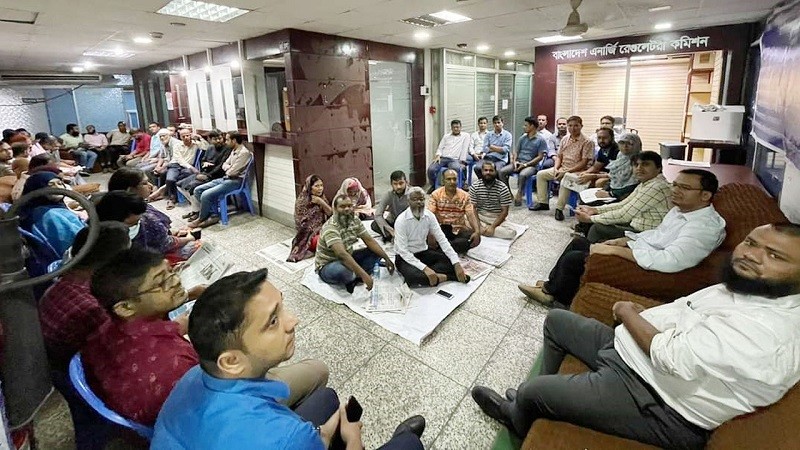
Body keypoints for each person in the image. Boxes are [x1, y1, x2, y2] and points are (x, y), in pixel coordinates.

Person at [474, 223, 800, 449]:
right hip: (634, 354)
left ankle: (518, 415)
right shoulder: (751, 287)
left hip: (658, 399)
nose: (751, 254)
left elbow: (670, 357)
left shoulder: (769, 332)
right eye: (751, 243)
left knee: (533, 390)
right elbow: (683, 315)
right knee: (557, 321)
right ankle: (544, 399)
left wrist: (627, 311)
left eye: (775, 255)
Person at [152, 269, 425, 449]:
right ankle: (403, 439)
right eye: (272, 321)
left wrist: (321, 435)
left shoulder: (194, 376)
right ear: (231, 361)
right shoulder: (285, 437)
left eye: (282, 307)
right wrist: (353, 442)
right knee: (409, 445)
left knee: (327, 398)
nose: (293, 320)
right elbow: (283, 439)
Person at [84, 250, 329, 427]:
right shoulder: (177, 367)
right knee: (317, 370)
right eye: (162, 283)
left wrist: (190, 301)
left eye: (171, 271)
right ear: (125, 307)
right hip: (219, 413)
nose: (175, 281)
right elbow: (225, 393)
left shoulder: (105, 329)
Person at [519, 169, 725, 308]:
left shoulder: (704, 227)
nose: (675, 191)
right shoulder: (682, 210)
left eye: (684, 188)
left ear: (705, 195)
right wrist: (625, 241)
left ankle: (555, 298)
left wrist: (616, 251)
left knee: (576, 258)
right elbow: (657, 235)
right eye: (675, 185)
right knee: (578, 242)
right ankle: (551, 286)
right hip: (644, 251)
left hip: (655, 271)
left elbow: (670, 260)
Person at [38, 222, 131, 370]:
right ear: (113, 261)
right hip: (77, 369)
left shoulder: (64, 281)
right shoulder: (93, 307)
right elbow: (123, 349)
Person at [575, 151, 672, 243]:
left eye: (645, 164)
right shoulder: (647, 183)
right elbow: (623, 204)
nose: (639, 168)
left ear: (658, 168)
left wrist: (590, 218)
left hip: (648, 234)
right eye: (636, 165)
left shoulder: (656, 187)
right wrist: (594, 210)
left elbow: (624, 214)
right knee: (598, 218)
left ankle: (588, 251)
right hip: (637, 223)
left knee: (597, 228)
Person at [107, 167, 199, 263]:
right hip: (146, 258)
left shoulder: (114, 206)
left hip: (150, 246)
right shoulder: (140, 216)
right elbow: (167, 244)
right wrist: (189, 238)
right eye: (144, 183)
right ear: (130, 190)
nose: (150, 186)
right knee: (196, 246)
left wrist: (172, 232)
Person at [315, 195, 395, 293]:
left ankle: (355, 276)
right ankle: (354, 276)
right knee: (343, 272)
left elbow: (369, 240)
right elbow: (341, 255)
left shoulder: (354, 220)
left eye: (349, 206)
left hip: (348, 255)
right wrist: (363, 275)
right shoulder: (331, 228)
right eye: (342, 206)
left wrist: (386, 258)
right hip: (329, 264)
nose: (347, 209)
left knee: (376, 251)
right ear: (335, 209)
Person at [394, 187, 469, 287]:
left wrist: (456, 264)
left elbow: (442, 240)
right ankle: (449, 277)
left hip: (423, 252)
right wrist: (425, 268)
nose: (419, 202)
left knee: (451, 263)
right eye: (415, 199)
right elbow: (403, 251)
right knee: (413, 277)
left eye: (421, 199)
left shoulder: (429, 216)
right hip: (405, 258)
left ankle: (435, 277)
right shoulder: (401, 220)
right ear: (408, 201)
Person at [530, 115, 594, 221]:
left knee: (566, 179)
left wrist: (565, 171)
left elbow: (584, 163)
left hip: (578, 171)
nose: (573, 128)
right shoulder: (565, 139)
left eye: (576, 126)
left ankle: (559, 209)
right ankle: (543, 203)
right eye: (570, 126)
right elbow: (559, 156)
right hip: (563, 168)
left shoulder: (587, 141)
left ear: (581, 126)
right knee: (541, 174)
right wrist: (556, 168)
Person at [186, 131, 252, 229]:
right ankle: (213, 214)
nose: (226, 142)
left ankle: (202, 218)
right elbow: (224, 165)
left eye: (227, 140)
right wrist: (229, 167)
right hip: (225, 178)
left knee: (205, 194)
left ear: (234, 140)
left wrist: (228, 168)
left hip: (235, 181)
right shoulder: (234, 150)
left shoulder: (244, 153)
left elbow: (232, 172)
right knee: (198, 190)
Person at [19, 171, 85, 256]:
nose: (57, 188)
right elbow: (73, 243)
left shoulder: (53, 207)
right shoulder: (50, 215)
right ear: (38, 190)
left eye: (60, 183)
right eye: (51, 185)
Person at [177, 129, 231, 216]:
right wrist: (204, 164)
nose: (218, 141)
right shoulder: (210, 147)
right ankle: (197, 209)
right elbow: (203, 160)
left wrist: (208, 175)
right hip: (205, 173)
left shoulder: (227, 149)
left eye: (220, 138)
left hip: (216, 176)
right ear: (210, 139)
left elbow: (221, 166)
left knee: (191, 186)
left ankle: (198, 211)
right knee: (179, 185)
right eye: (215, 139)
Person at [499, 116, 550, 205]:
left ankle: (519, 194)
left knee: (523, 174)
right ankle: (508, 193)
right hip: (518, 162)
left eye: (526, 125)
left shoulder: (541, 140)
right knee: (501, 171)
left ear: (532, 126)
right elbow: (516, 152)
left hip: (531, 166)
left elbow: (540, 157)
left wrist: (526, 165)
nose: (523, 127)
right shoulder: (522, 138)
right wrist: (514, 161)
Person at [428, 169, 481, 254]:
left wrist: (477, 231)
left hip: (459, 230)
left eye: (454, 179)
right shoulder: (435, 195)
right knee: (427, 237)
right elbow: (430, 216)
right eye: (448, 179)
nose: (452, 182)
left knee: (473, 237)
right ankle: (449, 248)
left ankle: (443, 248)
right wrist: (431, 234)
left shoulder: (465, 196)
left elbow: (470, 215)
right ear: (443, 181)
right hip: (442, 230)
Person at [288, 174, 332, 262]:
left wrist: (321, 202)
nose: (320, 188)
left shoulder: (321, 198)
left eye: (321, 185)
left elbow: (330, 213)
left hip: (322, 229)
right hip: (308, 237)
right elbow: (302, 225)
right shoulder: (302, 201)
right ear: (309, 187)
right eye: (316, 186)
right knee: (327, 240)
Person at [469, 161, 517, 240]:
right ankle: (483, 229)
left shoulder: (503, 188)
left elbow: (505, 212)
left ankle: (484, 230)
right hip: (480, 215)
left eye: (491, 170)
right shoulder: (475, 186)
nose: (488, 173)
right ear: (482, 172)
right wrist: (479, 226)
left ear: (495, 172)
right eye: (486, 170)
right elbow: (472, 208)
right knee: (463, 218)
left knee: (511, 232)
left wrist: (493, 227)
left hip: (495, 216)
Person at [594, 132, 642, 201]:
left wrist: (610, 194)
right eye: (622, 143)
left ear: (637, 145)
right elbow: (615, 178)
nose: (625, 146)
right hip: (615, 189)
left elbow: (633, 184)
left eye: (629, 143)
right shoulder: (621, 155)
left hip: (627, 194)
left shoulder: (639, 160)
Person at [427, 120, 471, 192]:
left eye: (457, 127)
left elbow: (464, 149)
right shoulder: (446, 136)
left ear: (461, 127)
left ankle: (458, 185)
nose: (456, 129)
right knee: (431, 169)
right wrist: (438, 155)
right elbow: (440, 148)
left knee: (455, 168)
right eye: (454, 127)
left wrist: (462, 161)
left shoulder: (466, 136)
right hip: (443, 158)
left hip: (454, 159)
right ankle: (433, 185)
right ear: (451, 128)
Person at [163, 128, 199, 209]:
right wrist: (191, 167)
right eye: (183, 136)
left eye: (187, 135)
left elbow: (206, 146)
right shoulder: (177, 145)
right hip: (175, 165)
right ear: (180, 137)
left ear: (190, 135)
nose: (186, 138)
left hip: (186, 168)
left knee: (186, 175)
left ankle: (165, 191)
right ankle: (172, 199)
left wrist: (199, 138)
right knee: (170, 179)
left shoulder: (196, 144)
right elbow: (179, 160)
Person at [371, 170, 408, 242]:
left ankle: (395, 238)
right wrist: (390, 230)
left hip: (407, 224)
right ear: (391, 184)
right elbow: (378, 215)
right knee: (374, 225)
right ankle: (392, 237)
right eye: (395, 184)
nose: (398, 186)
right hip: (393, 223)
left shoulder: (412, 194)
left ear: (406, 182)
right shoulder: (388, 194)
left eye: (401, 183)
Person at [473, 115, 512, 180]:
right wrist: (499, 148)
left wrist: (492, 147)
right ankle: (485, 183)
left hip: (500, 159)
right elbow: (485, 149)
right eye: (495, 123)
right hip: (488, 158)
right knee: (477, 168)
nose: (497, 124)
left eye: (498, 122)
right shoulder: (488, 135)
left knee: (497, 170)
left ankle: (496, 185)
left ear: (502, 123)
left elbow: (505, 150)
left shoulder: (507, 135)